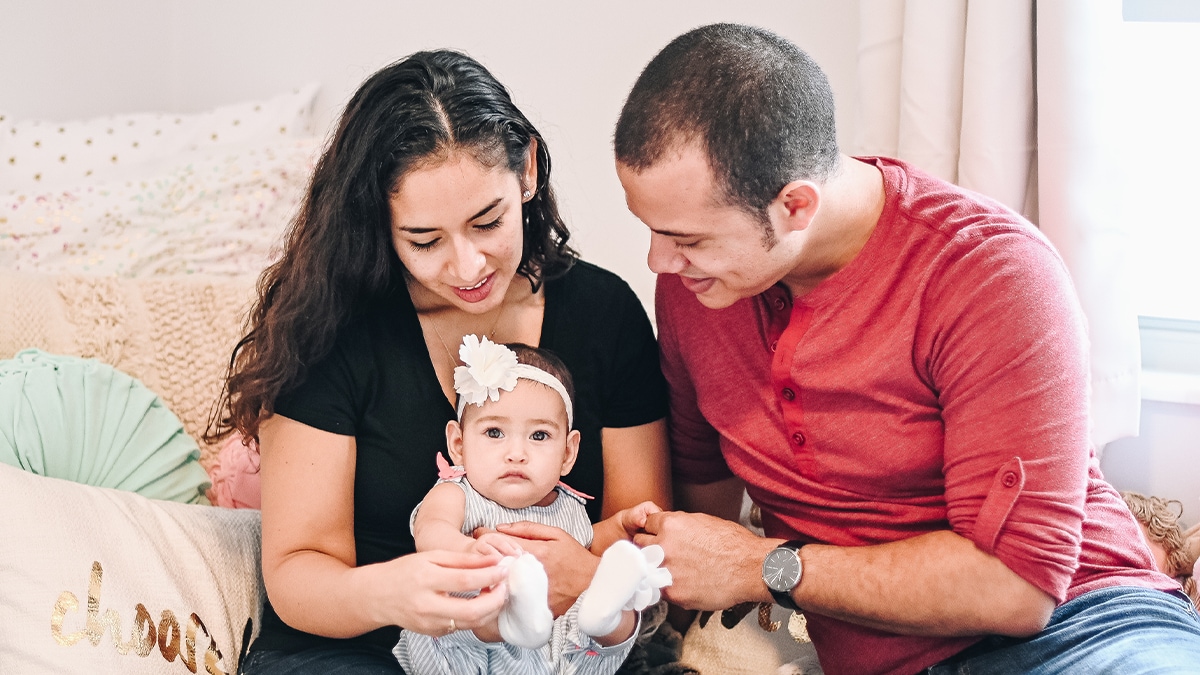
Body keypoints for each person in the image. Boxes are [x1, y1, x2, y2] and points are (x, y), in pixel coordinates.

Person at [614, 22, 1200, 675]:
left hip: (1085, 631)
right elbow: (703, 520)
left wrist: (764, 566)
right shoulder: (696, 291)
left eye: (686, 238)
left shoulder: (991, 273)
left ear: (796, 206)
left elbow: (1018, 590)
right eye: (653, 230)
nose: (659, 260)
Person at [206, 49, 671, 674]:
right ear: (381, 221)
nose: (468, 267)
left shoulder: (604, 313)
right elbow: (296, 572)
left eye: (488, 222)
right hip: (362, 649)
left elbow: (641, 529)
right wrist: (397, 591)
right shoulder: (331, 326)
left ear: (528, 170)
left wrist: (585, 573)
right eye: (424, 241)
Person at [394, 337, 671, 674]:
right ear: (458, 444)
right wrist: (470, 551)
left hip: (555, 655)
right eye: (495, 432)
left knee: (624, 611)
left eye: (539, 435)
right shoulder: (457, 493)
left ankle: (605, 615)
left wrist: (618, 527)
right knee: (480, 606)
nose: (516, 453)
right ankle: (515, 621)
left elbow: (586, 544)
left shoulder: (568, 505)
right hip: (473, 651)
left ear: (568, 453)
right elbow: (431, 530)